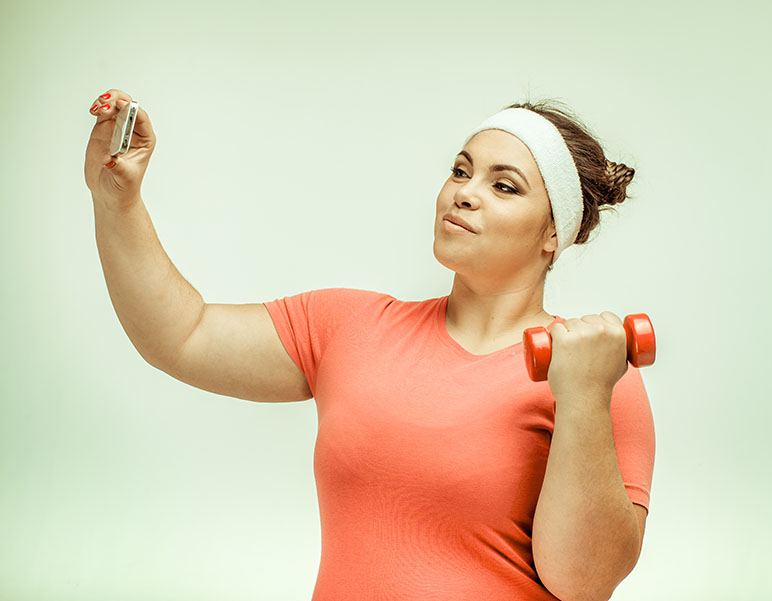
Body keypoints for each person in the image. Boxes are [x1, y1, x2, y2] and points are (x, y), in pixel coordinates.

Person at [85, 89, 655, 601]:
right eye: (461, 171)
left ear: (554, 232)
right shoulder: (351, 326)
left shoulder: (597, 371)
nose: (465, 194)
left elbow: (584, 584)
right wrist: (117, 200)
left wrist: (583, 395)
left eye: (503, 186)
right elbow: (182, 336)